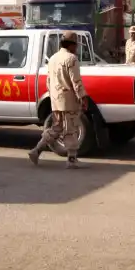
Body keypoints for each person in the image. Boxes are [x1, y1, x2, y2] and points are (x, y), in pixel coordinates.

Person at [29, 31, 88, 168]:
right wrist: (83, 97)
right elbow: (76, 82)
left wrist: (54, 96)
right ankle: (71, 160)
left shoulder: (53, 58)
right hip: (69, 101)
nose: (77, 48)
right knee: (71, 128)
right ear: (72, 45)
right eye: (76, 45)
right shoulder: (71, 59)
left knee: (56, 128)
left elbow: (48, 81)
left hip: (56, 100)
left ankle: (36, 150)